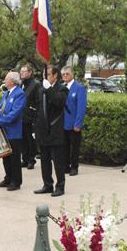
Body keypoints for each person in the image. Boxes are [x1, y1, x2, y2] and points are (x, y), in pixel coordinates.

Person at [34, 66, 69, 197]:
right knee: (44, 160)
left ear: (55, 76)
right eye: (45, 74)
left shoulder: (62, 88)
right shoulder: (41, 88)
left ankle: (60, 186)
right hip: (42, 130)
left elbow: (59, 102)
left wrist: (49, 89)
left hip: (55, 130)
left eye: (48, 74)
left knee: (58, 161)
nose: (46, 77)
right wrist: (35, 128)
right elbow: (38, 109)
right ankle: (47, 184)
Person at [0, 71, 26, 191]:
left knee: (14, 158)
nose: (4, 81)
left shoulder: (19, 94)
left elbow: (14, 114)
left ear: (12, 81)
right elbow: (0, 109)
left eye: (6, 79)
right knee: (5, 156)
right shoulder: (6, 93)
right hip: (3, 130)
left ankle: (16, 181)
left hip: (13, 131)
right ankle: (8, 177)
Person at [62, 66, 87, 176]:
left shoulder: (79, 88)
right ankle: (66, 166)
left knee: (74, 147)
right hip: (63, 123)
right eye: (63, 74)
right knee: (65, 147)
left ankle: (74, 167)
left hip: (74, 123)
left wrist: (78, 123)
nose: (65, 76)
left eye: (67, 74)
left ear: (72, 74)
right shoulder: (62, 87)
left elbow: (81, 107)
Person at [20, 65, 41, 169]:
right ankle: (25, 158)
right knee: (23, 139)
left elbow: (38, 101)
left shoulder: (36, 84)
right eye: (21, 72)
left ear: (30, 72)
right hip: (21, 116)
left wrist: (35, 114)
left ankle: (31, 160)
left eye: (24, 71)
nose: (22, 73)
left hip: (31, 117)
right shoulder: (21, 84)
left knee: (30, 139)